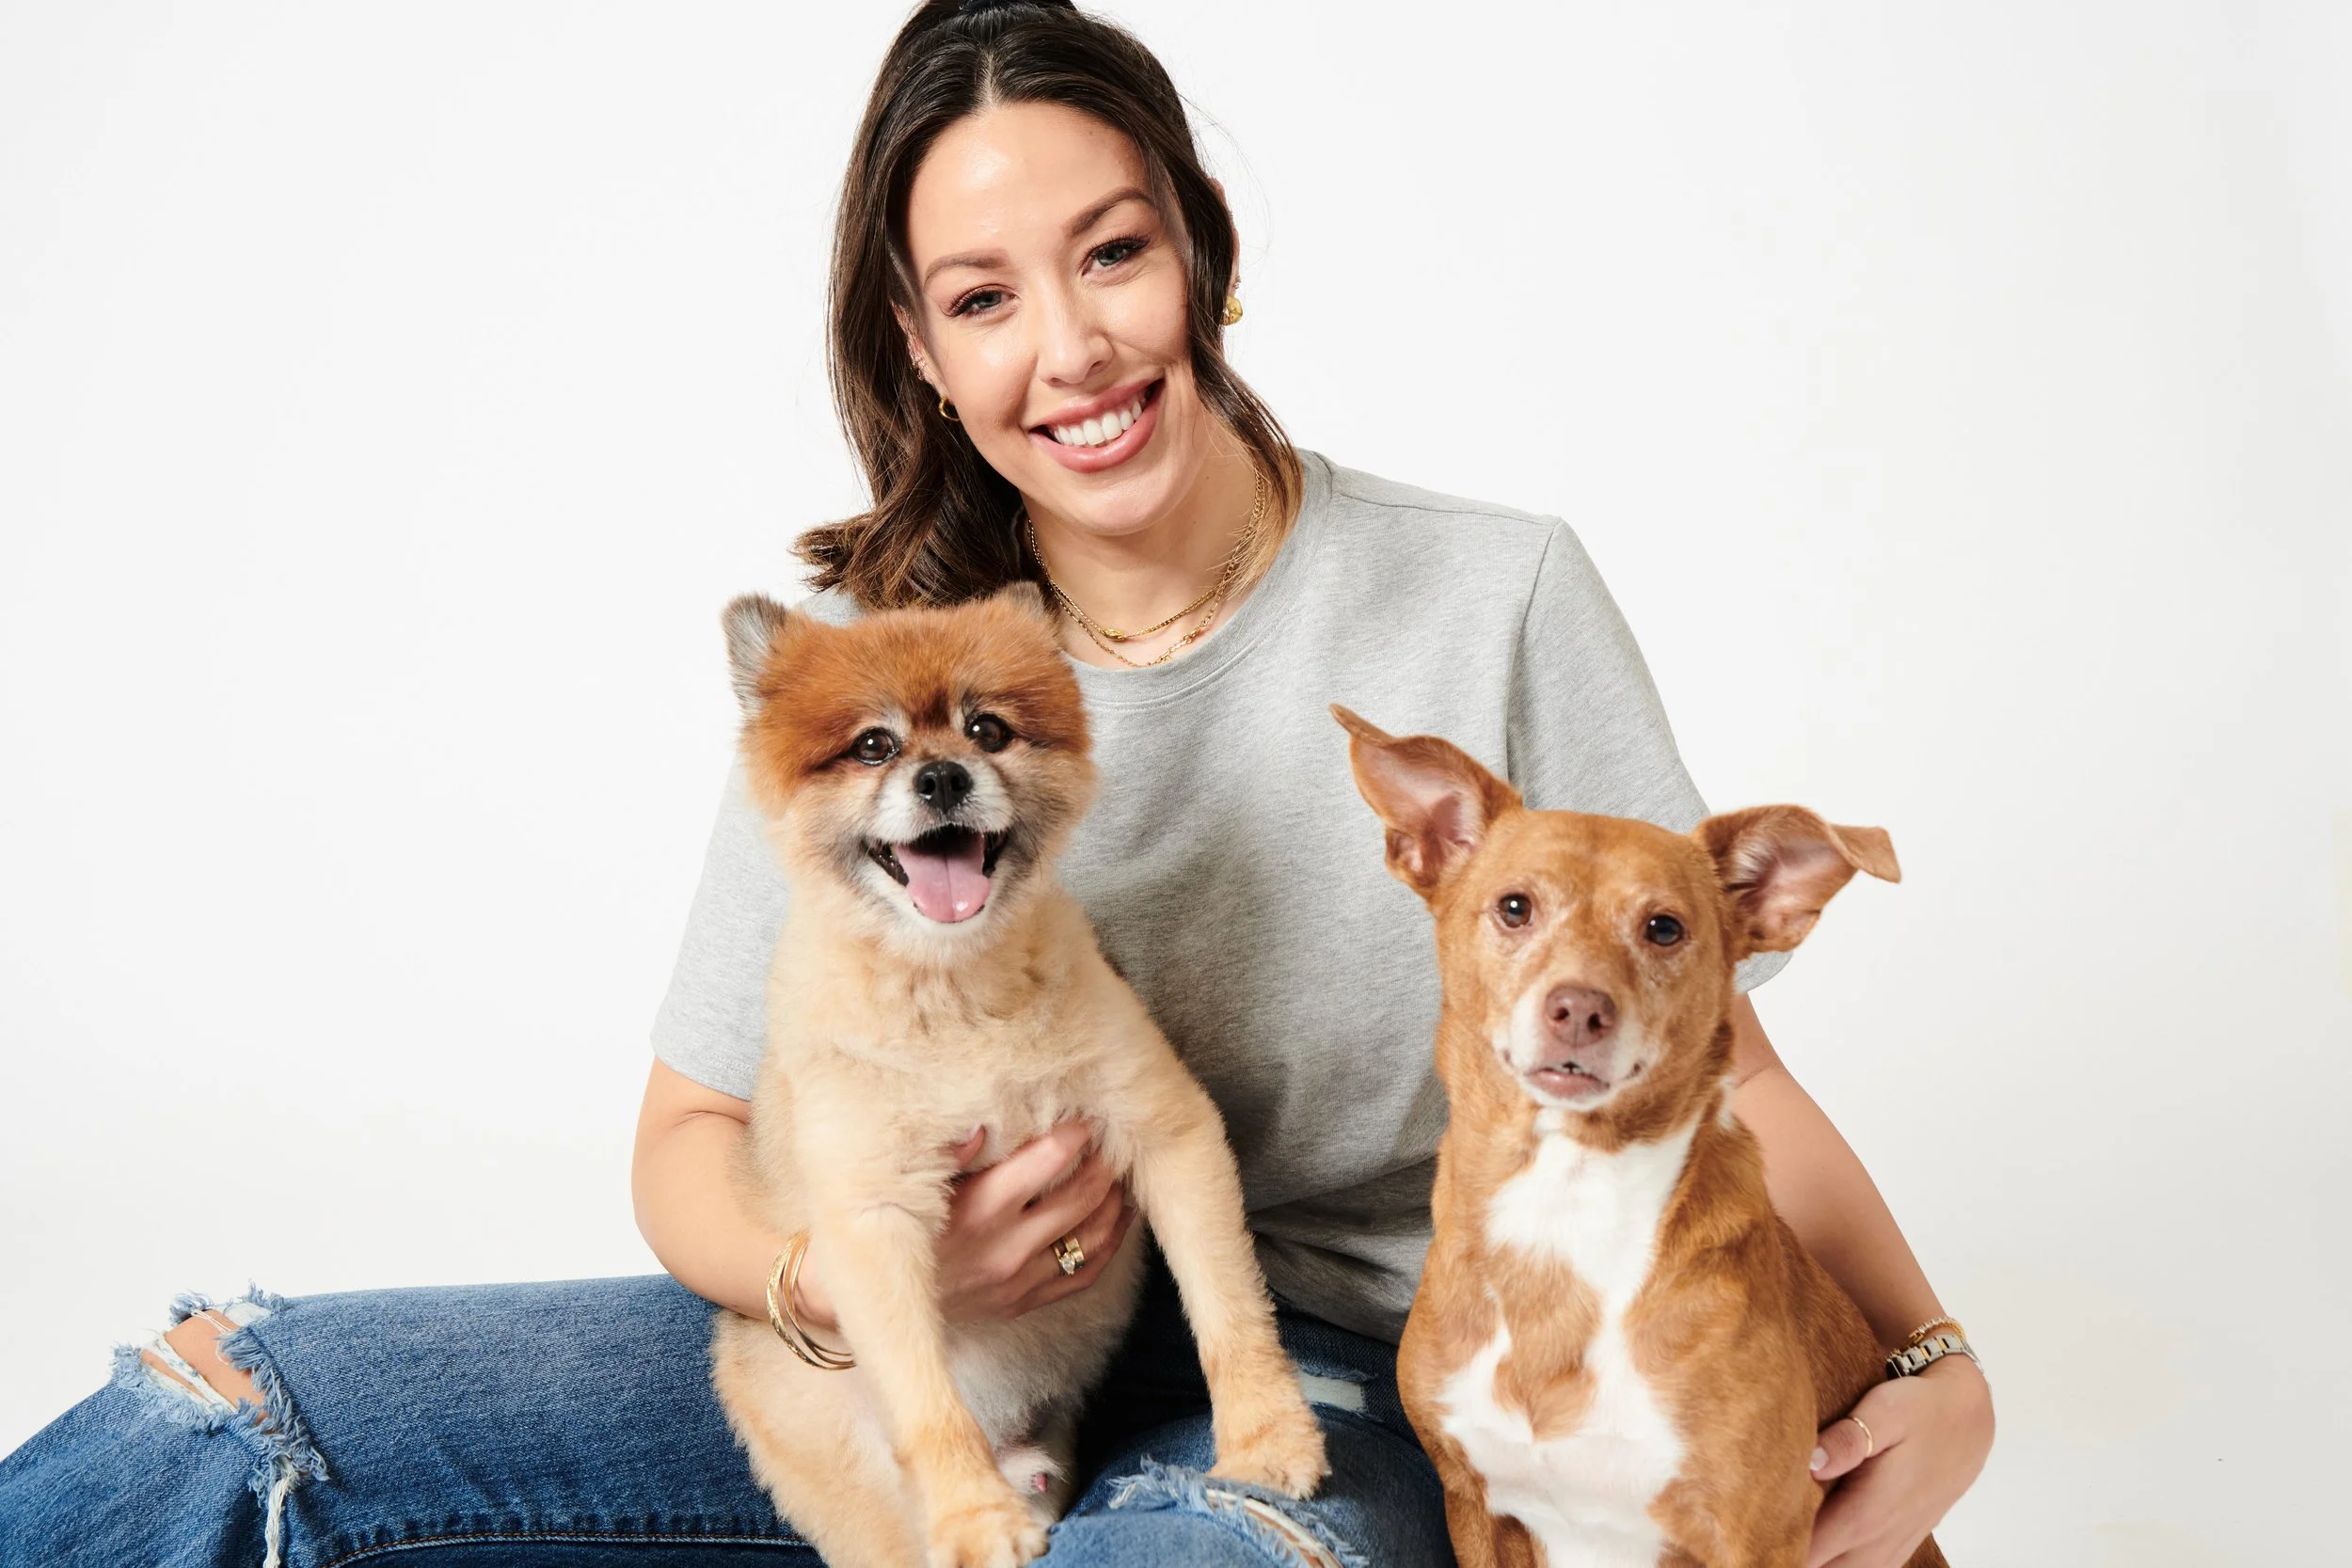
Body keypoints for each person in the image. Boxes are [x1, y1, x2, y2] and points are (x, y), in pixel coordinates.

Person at [0, 4, 1993, 1565]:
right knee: (231, 1408)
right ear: (919, 342)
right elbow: (689, 1136)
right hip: (910, 1333)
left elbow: (1712, 1053)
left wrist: (1931, 1361)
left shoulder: (1486, 592)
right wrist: (856, 1282)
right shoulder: (877, 679)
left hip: (1360, 1371)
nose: (1071, 345)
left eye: (1110, 253)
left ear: (1197, 249)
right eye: (981, 296)